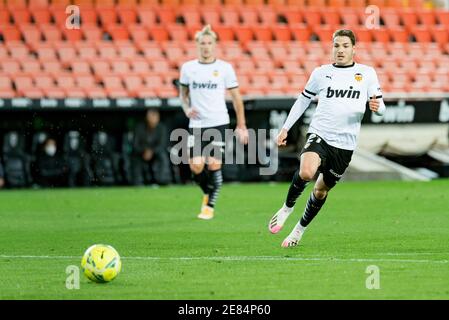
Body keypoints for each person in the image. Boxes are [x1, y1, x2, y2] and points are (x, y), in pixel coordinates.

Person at [268, 29, 386, 247]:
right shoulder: (321, 73)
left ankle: (298, 231)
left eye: (345, 46)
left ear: (353, 49)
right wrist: (285, 128)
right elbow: (302, 100)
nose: (340, 50)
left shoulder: (366, 73)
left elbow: (381, 106)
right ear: (331, 48)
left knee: (320, 191)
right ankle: (287, 208)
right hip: (320, 133)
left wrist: (378, 108)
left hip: (345, 144)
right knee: (306, 171)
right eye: (336, 46)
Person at [179, 25, 249, 220]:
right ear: (197, 45)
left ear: (215, 45)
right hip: (197, 124)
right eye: (202, 43)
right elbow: (182, 94)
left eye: (209, 43)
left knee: (213, 164)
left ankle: (209, 206)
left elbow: (236, 98)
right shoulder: (188, 68)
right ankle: (207, 191)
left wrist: (241, 125)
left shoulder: (225, 68)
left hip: (218, 121)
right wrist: (186, 109)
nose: (206, 47)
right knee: (195, 166)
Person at [132, 109, 172, 186]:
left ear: (158, 118)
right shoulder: (139, 128)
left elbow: (162, 145)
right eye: (151, 117)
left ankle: (162, 180)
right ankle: (137, 182)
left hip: (156, 153)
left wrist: (151, 151)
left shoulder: (161, 128)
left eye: (155, 117)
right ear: (147, 118)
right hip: (142, 153)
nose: (153, 120)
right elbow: (135, 145)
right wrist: (144, 151)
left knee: (163, 156)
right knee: (135, 157)